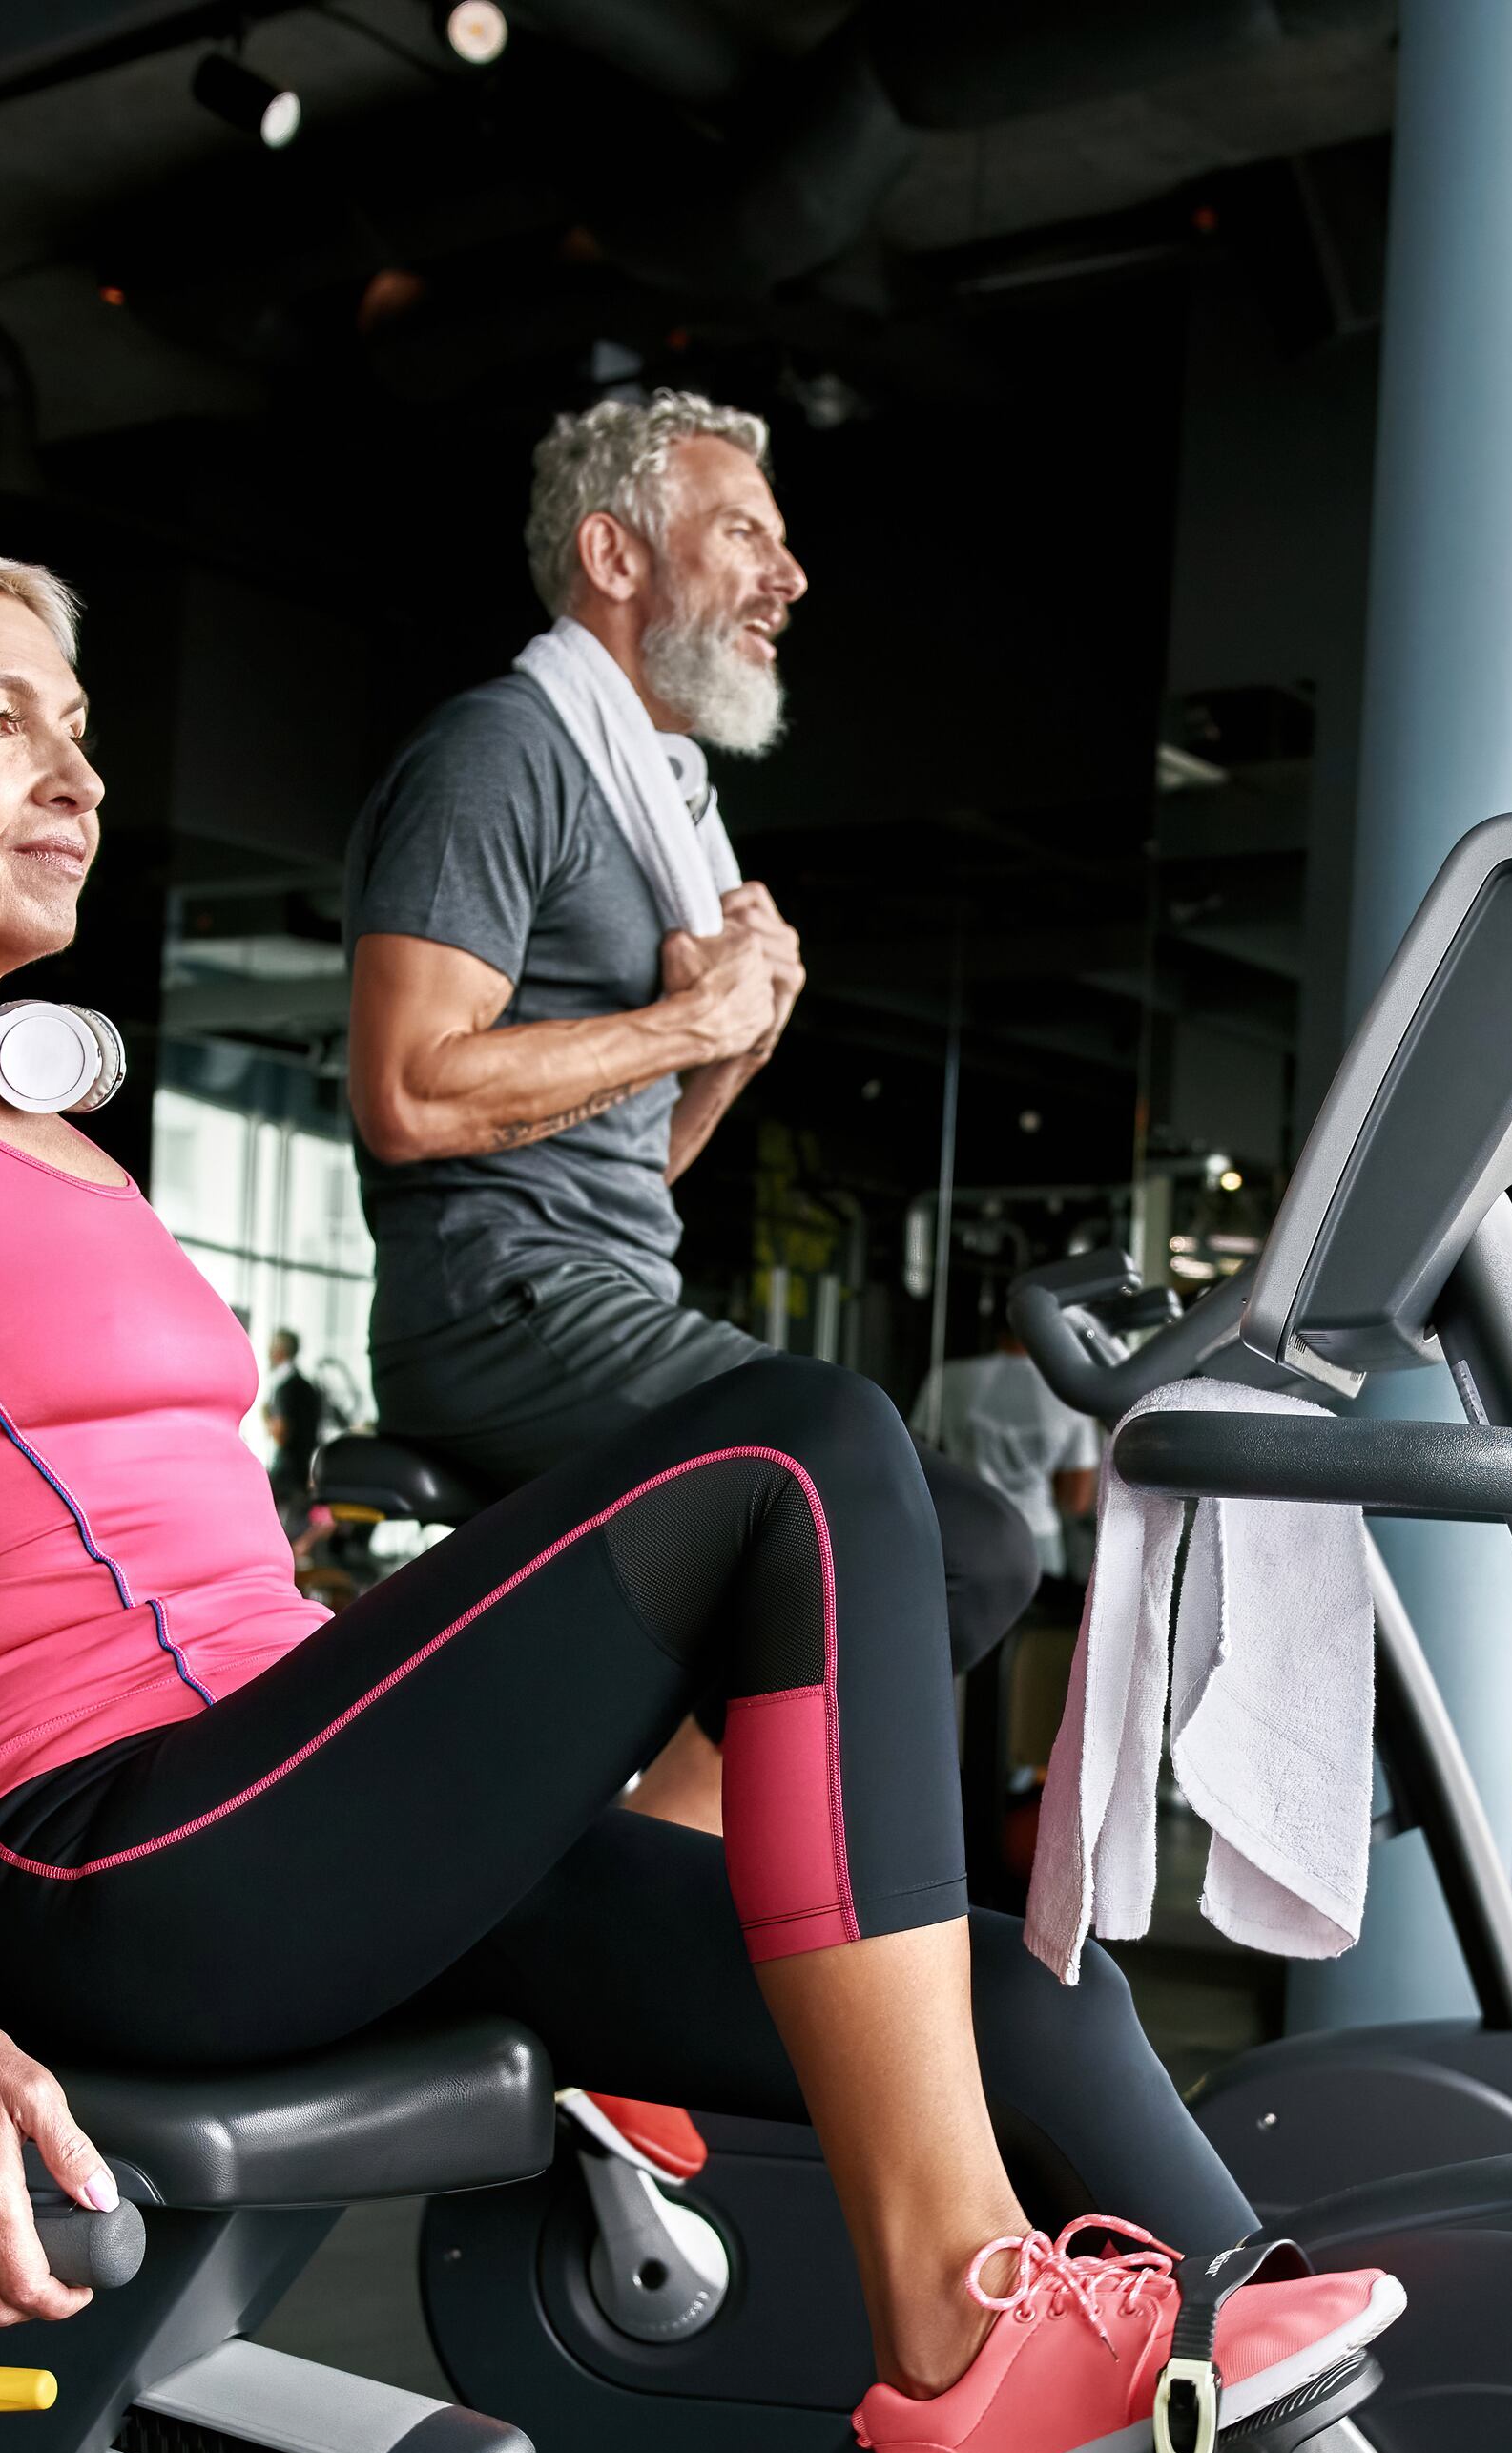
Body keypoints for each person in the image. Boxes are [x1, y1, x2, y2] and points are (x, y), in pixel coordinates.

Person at [0, 534, 1393, 2453]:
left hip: (276, 1793)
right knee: (803, 1455)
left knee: (1022, 2004)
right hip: (105, 1863)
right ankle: (957, 2323)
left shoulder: (61, 1146)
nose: (76, 776)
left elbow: (177, 1550)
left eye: (82, 728)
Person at [341, 390, 1036, 1830]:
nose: (789, 577)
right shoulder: (501, 757)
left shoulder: (664, 809)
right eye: (742, 534)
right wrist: (682, 1020)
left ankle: (609, 1864)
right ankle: (630, 1897)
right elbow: (407, 1092)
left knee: (913, 1531)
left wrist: (728, 1058)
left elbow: (625, 1172)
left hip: (589, 1284)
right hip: (498, 1306)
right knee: (943, 1527)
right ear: (616, 556)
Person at [913, 1322, 1105, 1588]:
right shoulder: (1067, 1393)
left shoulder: (948, 1377)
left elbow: (918, 1459)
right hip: (1036, 1537)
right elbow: (1076, 1498)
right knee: (1039, 1626)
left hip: (965, 1531)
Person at [259, 1324, 326, 1524]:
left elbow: (281, 1434)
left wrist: (265, 1416)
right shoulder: (308, 1387)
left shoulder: (284, 1389)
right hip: (305, 1469)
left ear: (279, 1352)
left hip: (286, 1473)